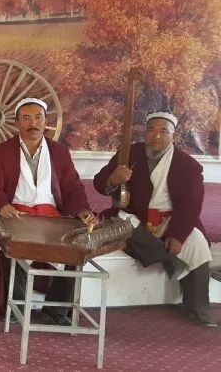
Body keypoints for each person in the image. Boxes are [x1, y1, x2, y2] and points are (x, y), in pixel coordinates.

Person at [93, 111, 217, 329]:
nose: (156, 136)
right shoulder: (130, 153)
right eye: (151, 130)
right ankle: (170, 262)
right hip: (135, 217)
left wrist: (178, 235)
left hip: (171, 220)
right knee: (124, 224)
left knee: (197, 243)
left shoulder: (188, 166)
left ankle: (198, 309)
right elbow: (99, 182)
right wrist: (113, 178)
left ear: (173, 135)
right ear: (145, 132)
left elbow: (191, 206)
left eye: (163, 131)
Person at [0, 97, 98, 326]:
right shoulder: (1, 152)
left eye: (38, 117)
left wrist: (82, 210)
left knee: (75, 250)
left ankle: (56, 309)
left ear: (46, 121)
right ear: (17, 123)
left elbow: (72, 186)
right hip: (16, 215)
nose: (33, 123)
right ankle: (16, 307)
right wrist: (2, 205)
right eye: (26, 118)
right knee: (10, 249)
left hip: (51, 218)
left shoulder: (59, 152)